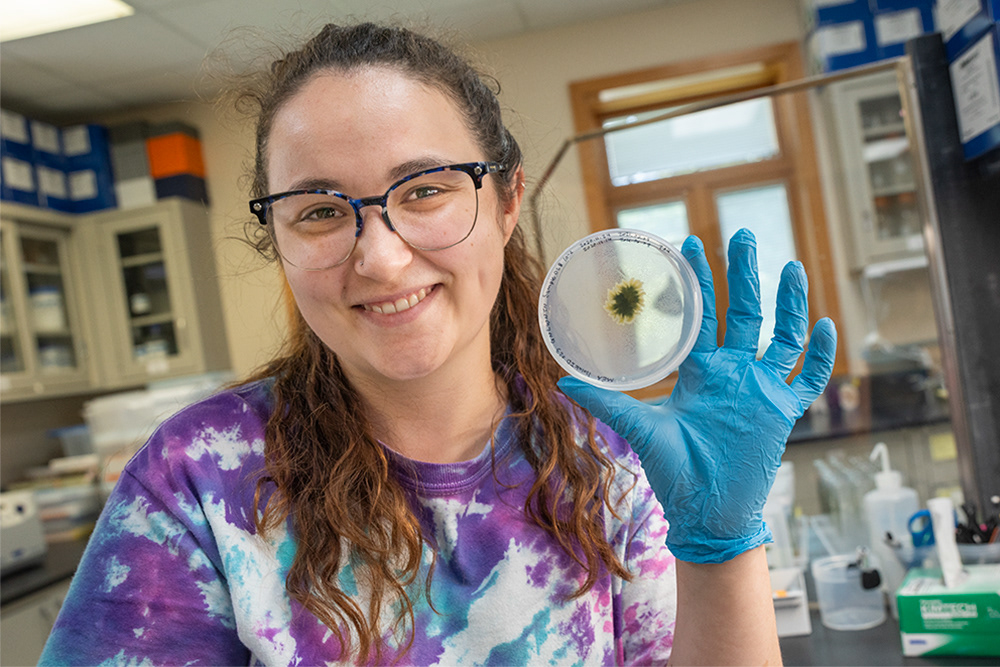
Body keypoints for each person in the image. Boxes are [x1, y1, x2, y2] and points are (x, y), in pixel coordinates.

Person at [40, 22, 836, 666]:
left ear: (506, 198)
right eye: (319, 210)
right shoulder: (198, 480)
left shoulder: (612, 460)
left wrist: (723, 547)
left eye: (424, 191)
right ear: (276, 236)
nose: (380, 257)